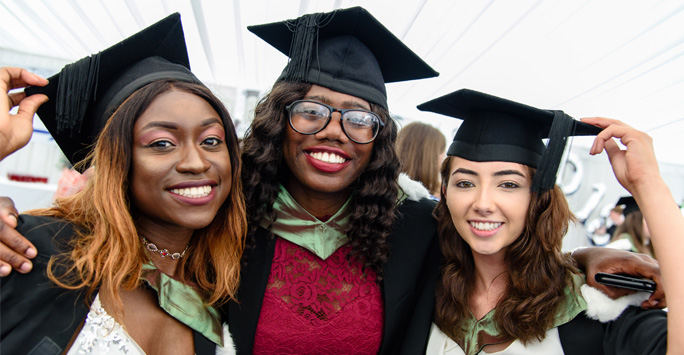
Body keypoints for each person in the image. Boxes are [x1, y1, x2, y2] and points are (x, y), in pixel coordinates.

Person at [0, 7, 668, 355]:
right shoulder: (229, 218)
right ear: (276, 119)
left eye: (359, 118)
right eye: (311, 109)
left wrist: (584, 256)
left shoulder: (412, 230)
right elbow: (129, 222)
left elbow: (494, 245)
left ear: (381, 136)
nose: (333, 130)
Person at [1, 14, 246, 354]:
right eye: (161, 143)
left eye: (211, 140)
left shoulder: (225, 284)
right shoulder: (32, 252)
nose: (197, 162)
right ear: (117, 162)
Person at [420, 89, 680, 354]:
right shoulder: (421, 289)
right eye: (465, 183)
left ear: (540, 197)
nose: (483, 204)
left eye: (509, 184)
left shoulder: (596, 308)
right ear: (444, 192)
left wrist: (647, 185)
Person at [396, 122, 447, 199]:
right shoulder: (435, 203)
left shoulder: (382, 189)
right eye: (441, 151)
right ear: (429, 156)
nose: (444, 156)